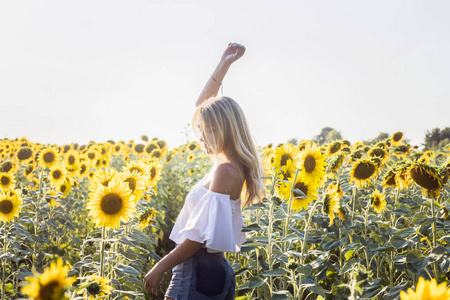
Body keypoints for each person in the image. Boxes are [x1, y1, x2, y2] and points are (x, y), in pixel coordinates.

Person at [143, 42, 265, 300]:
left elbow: (198, 237)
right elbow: (202, 105)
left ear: (227, 129)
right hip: (213, 273)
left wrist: (160, 267)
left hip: (196, 273)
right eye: (202, 130)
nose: (202, 138)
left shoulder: (224, 170)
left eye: (210, 131)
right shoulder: (233, 165)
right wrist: (224, 64)